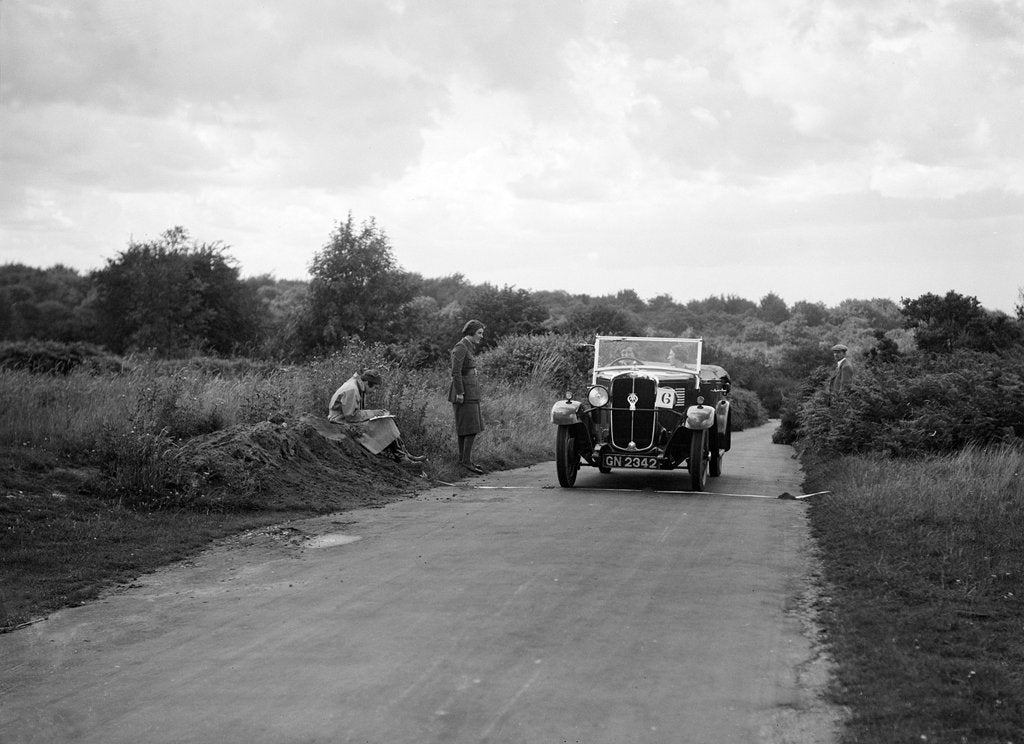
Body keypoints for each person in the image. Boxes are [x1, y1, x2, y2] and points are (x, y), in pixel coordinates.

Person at [328, 369, 424, 463]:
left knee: (387, 421)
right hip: (340, 423)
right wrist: (374, 413)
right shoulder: (352, 390)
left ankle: (404, 454)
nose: (374, 391)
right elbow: (351, 416)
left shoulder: (356, 386)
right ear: (367, 383)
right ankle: (402, 457)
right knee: (386, 423)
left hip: (343, 420)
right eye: (374, 388)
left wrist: (375, 413)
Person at [448, 320, 486, 473]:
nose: (481, 336)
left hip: (471, 391)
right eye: (479, 333)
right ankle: (465, 461)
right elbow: (455, 372)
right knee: (469, 428)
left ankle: (465, 460)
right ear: (471, 332)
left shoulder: (469, 347)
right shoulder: (461, 347)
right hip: (464, 393)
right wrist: (460, 392)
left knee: (470, 427)